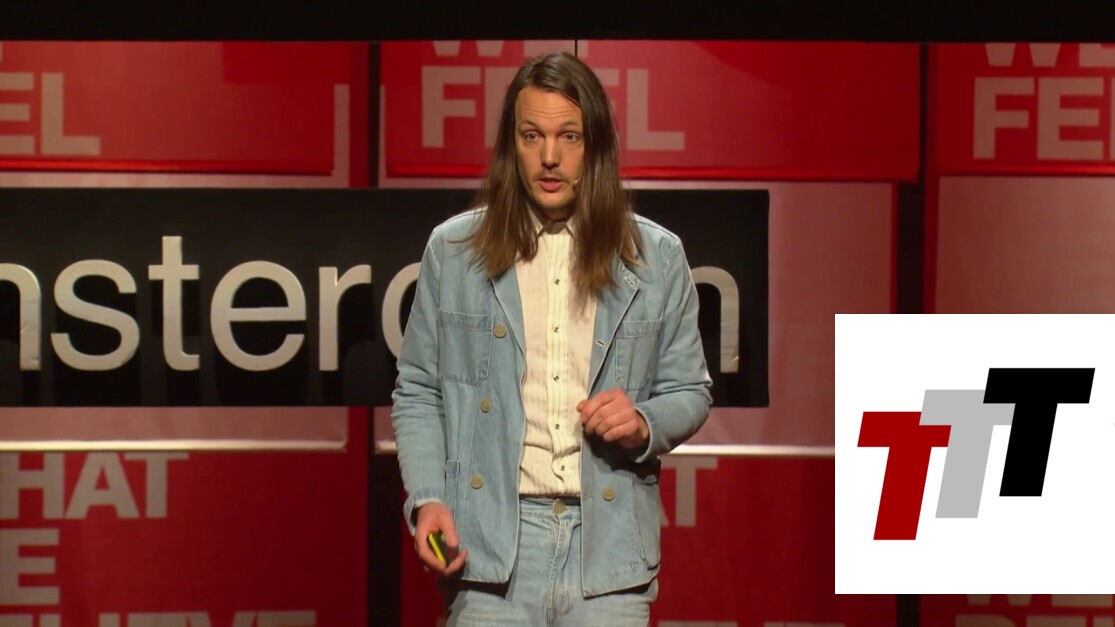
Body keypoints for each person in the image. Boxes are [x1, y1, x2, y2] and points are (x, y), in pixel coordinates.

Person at [391, 50, 712, 626]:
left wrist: (644, 422)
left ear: (596, 146)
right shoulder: (454, 251)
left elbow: (690, 389)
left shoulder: (657, 257)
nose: (549, 157)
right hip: (489, 550)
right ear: (511, 144)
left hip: (609, 555)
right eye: (532, 135)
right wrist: (428, 498)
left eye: (569, 136)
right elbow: (418, 390)